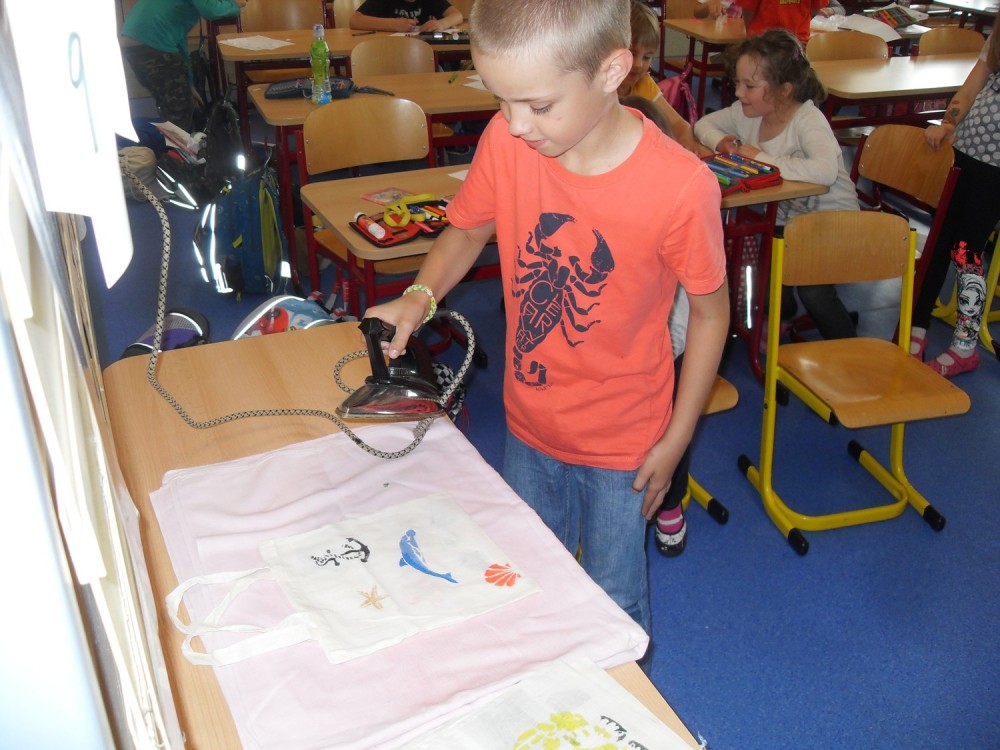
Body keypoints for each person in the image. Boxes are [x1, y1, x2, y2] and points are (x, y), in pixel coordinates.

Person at [363, 0, 730, 634]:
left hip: (624, 443)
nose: (514, 125)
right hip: (530, 422)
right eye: (499, 100)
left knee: (614, 600)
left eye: (537, 105)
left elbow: (709, 316)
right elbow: (467, 231)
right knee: (527, 577)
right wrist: (419, 295)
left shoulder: (681, 186)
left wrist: (677, 440)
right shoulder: (508, 142)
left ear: (613, 71)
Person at [694, 29, 860, 341]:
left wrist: (762, 159)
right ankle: (780, 316)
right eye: (737, 83)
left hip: (834, 224)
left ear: (784, 90)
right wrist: (722, 142)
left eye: (749, 86)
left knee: (813, 291)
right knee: (765, 272)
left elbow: (825, 171)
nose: (738, 92)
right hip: (786, 224)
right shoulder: (748, 113)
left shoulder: (807, 120)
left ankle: (848, 349)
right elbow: (703, 124)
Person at [620, 94, 695, 557]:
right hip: (615, 355)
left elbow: (690, 316)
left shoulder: (674, 210)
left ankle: (670, 500)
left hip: (667, 351)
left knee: (669, 436)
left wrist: (659, 350)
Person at [912, 15, 1000, 377]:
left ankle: (965, 345)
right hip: (963, 154)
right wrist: (949, 122)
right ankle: (917, 325)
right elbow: (972, 86)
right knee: (939, 240)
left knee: (966, 251)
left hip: (995, 171)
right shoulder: (996, 39)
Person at [120, 0, 246, 134]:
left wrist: (188, 84)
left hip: (133, 43)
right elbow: (211, 11)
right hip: (153, 42)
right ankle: (179, 146)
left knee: (171, 103)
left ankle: (175, 142)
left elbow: (180, 43)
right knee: (179, 109)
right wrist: (235, 5)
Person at [621, 0, 713, 157]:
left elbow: (679, 124)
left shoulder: (643, 83)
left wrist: (685, 143)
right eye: (632, 53)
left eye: (647, 57)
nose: (638, 65)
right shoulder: (600, 88)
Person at [701, 0, 827, 44]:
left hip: (763, 40)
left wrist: (751, 34)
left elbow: (748, 11)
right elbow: (815, 8)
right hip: (797, 41)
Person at [350, 0, 463, 33]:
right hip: (388, 49)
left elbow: (457, 15)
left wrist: (441, 24)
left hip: (422, 51)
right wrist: (393, 24)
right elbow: (354, 20)